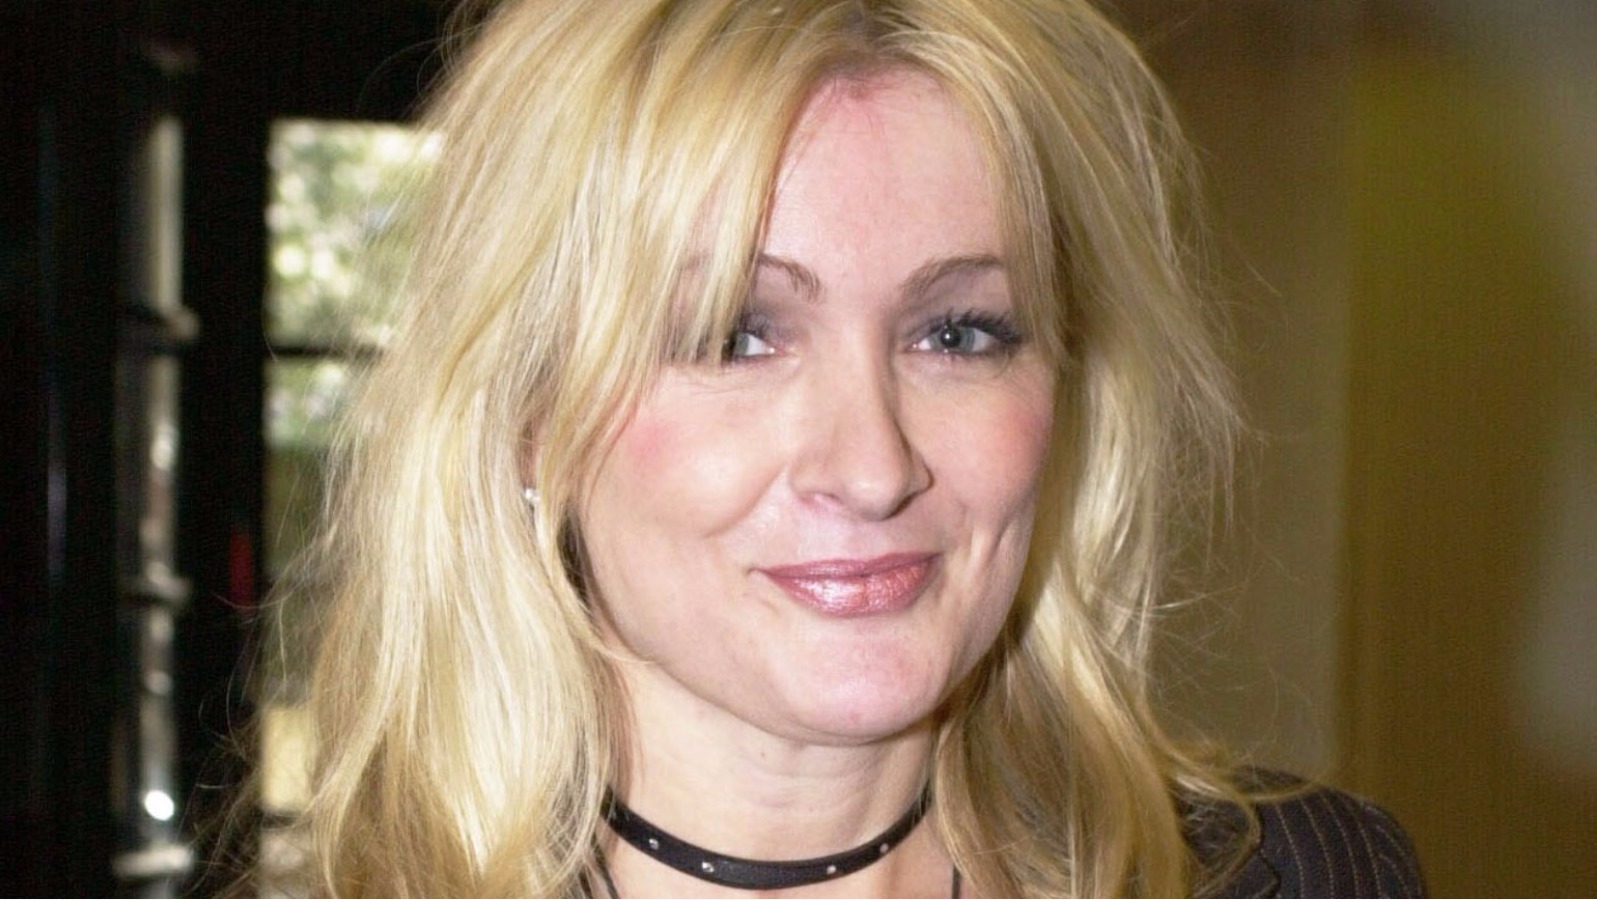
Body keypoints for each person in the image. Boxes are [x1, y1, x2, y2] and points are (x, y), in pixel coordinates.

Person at [270, 0, 1425, 895]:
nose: (872, 468)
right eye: (736, 335)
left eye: (956, 333)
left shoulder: (1308, 878)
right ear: (529, 418)